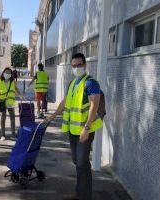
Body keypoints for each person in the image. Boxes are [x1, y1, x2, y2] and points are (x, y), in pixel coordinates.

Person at [44, 53, 103, 200]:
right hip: (73, 130)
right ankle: (79, 192)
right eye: (74, 65)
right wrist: (51, 117)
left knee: (82, 164)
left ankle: (84, 196)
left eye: (79, 65)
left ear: (85, 65)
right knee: (78, 162)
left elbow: (94, 105)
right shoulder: (73, 83)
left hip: (84, 130)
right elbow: (64, 103)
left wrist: (87, 128)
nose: (77, 68)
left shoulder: (90, 83)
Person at [0, 67, 23, 141]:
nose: (7, 74)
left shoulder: (12, 81)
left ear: (11, 74)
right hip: (2, 102)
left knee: (12, 118)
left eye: (9, 73)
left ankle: (13, 134)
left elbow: (15, 88)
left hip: (10, 102)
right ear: (3, 73)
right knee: (3, 118)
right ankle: (3, 135)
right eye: (6, 72)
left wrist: (20, 95)